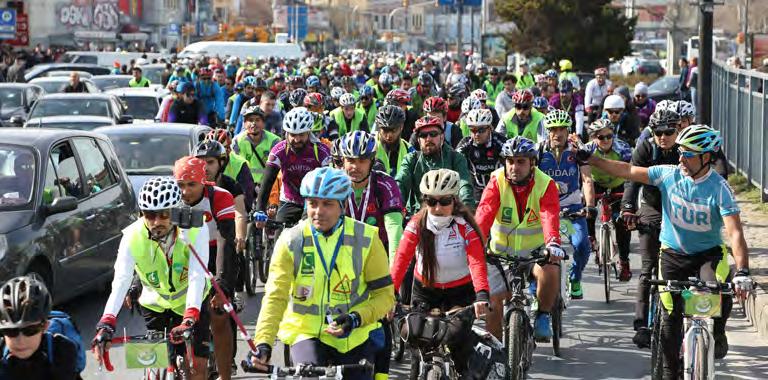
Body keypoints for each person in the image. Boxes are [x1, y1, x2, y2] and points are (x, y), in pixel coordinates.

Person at [576, 125, 752, 379]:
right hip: (672, 254)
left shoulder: (719, 187)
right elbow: (627, 170)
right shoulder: (669, 175)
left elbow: (735, 233)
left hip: (708, 255)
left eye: (688, 154)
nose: (681, 158)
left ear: (706, 157)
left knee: (718, 289)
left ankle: (719, 332)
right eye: (680, 152)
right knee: (669, 328)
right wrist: (591, 159)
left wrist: (743, 271)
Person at [248, 167, 395, 380]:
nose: (318, 211)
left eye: (327, 204)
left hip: (354, 334)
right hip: (306, 334)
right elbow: (275, 296)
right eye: (312, 203)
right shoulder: (291, 240)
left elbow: (385, 296)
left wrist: (355, 318)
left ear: (342, 205)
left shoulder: (367, 239)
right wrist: (263, 343)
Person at [92, 177, 211, 380]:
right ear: (141, 214)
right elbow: (121, 280)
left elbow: (196, 275)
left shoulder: (196, 227)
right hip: (155, 303)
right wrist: (106, 323)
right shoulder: (132, 236)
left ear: (175, 211)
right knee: (154, 365)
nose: (157, 222)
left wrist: (190, 316)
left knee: (196, 369)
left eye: (164, 215)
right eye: (150, 215)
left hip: (191, 302)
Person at [391, 168, 490, 377]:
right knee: (416, 340)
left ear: (454, 200)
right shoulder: (417, 223)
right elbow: (401, 259)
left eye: (444, 201)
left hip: (460, 293)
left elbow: (476, 262)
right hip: (425, 291)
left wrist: (481, 294)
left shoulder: (465, 226)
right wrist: (389, 293)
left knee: (458, 346)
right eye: (431, 201)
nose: (437, 208)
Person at [475, 136, 564, 341]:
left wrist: (552, 242)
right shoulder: (496, 181)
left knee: (551, 269)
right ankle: (496, 355)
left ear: (532, 163)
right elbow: (484, 212)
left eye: (521, 161)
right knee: (493, 306)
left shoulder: (545, 184)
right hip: (500, 255)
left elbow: (549, 215)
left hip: (535, 254)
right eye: (510, 161)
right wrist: (476, 240)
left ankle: (543, 315)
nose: (514, 167)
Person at [339, 131, 404, 380]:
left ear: (372, 160)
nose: (354, 167)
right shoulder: (335, 183)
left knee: (383, 321)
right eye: (350, 160)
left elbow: (395, 232)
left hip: (379, 257)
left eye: (362, 160)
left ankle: (382, 376)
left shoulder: (385, 184)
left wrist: (392, 284)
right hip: (342, 258)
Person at [620, 108, 683, 348]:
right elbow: (632, 177)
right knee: (647, 268)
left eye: (669, 132)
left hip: (680, 209)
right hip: (652, 206)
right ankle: (641, 324)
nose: (664, 137)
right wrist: (627, 207)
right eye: (659, 132)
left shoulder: (684, 149)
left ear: (678, 131)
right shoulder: (646, 147)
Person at [173, 157, 237, 380]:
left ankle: (225, 374)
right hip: (185, 257)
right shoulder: (171, 200)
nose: (185, 191)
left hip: (215, 255)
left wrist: (221, 281)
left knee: (218, 314)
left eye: (192, 184)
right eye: (180, 185)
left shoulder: (220, 196)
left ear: (204, 182)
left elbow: (226, 240)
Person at [537, 109, 595, 299]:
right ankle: (536, 291)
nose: (558, 133)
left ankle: (575, 278)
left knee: (582, 246)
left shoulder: (577, 151)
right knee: (537, 252)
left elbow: (586, 179)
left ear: (567, 130)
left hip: (572, 210)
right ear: (547, 130)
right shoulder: (538, 151)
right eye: (553, 129)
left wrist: (590, 206)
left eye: (562, 129)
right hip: (545, 210)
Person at [254, 107, 332, 228]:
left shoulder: (321, 151)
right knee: (280, 241)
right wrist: (260, 209)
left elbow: (328, 184)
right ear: (286, 133)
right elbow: (268, 181)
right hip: (289, 200)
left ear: (309, 132)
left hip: (315, 200)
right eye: (293, 135)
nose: (297, 139)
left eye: (301, 135)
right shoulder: (278, 151)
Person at [0, 276, 80, 380]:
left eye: (30, 330)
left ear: (45, 326)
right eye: (11, 331)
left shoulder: (61, 350)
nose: (20, 340)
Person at [583, 119, 633, 281]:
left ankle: (624, 262)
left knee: (621, 222)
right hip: (597, 185)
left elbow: (629, 173)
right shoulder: (587, 150)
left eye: (608, 136)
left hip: (618, 185)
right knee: (587, 208)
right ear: (593, 137)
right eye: (600, 137)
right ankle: (591, 238)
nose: (605, 140)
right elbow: (586, 179)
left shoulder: (623, 148)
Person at [396, 116, 475, 215]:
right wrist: (395, 207)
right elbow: (400, 183)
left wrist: (466, 210)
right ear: (418, 140)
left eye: (433, 134)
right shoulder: (411, 159)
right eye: (423, 135)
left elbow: (464, 185)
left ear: (442, 136)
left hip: (449, 215)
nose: (428, 138)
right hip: (419, 215)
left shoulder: (456, 158)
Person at [232, 105, 282, 200]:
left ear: (263, 123)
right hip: (244, 188)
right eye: (250, 120)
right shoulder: (237, 141)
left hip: (268, 188)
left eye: (257, 120)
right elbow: (234, 168)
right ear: (245, 123)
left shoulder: (275, 141)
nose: (254, 123)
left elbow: (279, 171)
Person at [456, 108, 506, 201]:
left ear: (490, 128)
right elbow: (454, 159)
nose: (477, 134)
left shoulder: (500, 141)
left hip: (499, 187)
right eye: (473, 130)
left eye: (481, 130)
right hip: (477, 188)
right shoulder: (466, 143)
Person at [373, 104, 415, 178]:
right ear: (379, 128)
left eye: (394, 130)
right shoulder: (369, 145)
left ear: (401, 127)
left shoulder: (409, 150)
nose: (389, 135)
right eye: (385, 130)